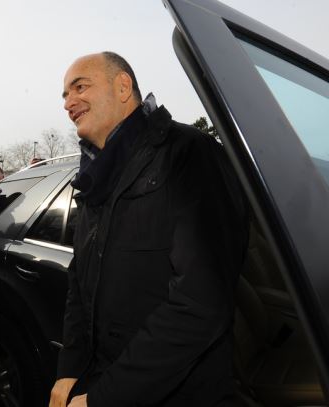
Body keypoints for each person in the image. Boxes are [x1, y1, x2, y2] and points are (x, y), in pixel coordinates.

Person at [50, 52, 248, 407]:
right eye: (65, 95)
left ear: (123, 86)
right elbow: (79, 283)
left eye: (80, 87)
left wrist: (105, 397)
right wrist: (69, 369)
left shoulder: (189, 152)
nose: (68, 103)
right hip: (98, 382)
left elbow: (201, 301)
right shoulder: (93, 178)